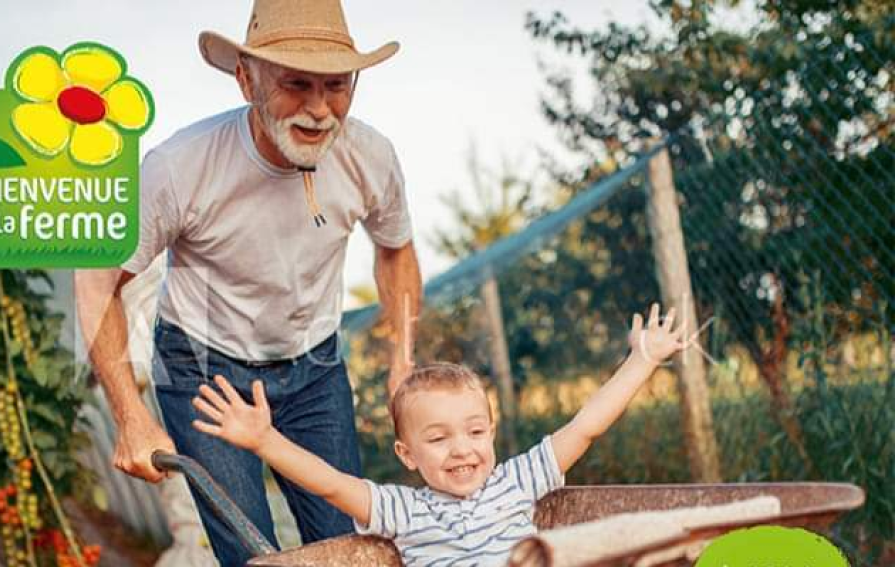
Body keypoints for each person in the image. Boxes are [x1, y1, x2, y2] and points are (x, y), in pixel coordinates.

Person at [74, 0, 421, 563]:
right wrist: (130, 417)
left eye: (336, 85)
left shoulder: (370, 156)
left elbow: (396, 250)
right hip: (202, 369)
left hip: (315, 368)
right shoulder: (179, 168)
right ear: (245, 79)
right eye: (295, 84)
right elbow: (97, 283)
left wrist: (402, 358)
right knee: (250, 553)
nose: (319, 109)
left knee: (347, 543)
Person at [192, 304, 688, 566]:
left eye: (474, 431)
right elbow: (331, 484)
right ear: (407, 454)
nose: (461, 449)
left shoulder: (518, 481)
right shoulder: (405, 510)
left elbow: (586, 426)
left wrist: (642, 360)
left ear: (491, 432)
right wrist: (266, 442)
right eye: (438, 438)